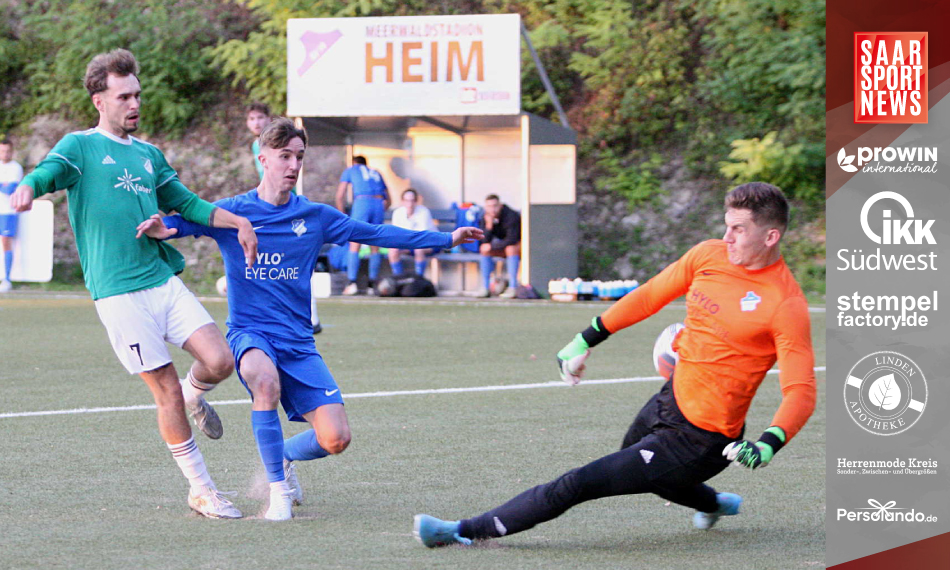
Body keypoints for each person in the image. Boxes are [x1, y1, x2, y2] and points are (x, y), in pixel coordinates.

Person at [414, 182, 816, 547]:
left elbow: (800, 390)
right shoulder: (708, 255)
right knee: (641, 465)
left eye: (738, 230)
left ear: (771, 236)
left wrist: (768, 443)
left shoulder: (785, 304)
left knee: (577, 483)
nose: (726, 237)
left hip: (701, 441)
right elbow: (649, 296)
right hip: (669, 401)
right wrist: (585, 338)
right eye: (726, 226)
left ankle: (462, 531)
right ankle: (714, 503)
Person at [138, 118, 483, 521]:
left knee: (336, 439)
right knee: (263, 381)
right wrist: (166, 227)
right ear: (263, 159)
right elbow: (185, 220)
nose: (293, 164)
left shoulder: (316, 216)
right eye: (284, 156)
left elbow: (376, 232)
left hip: (299, 342)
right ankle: (278, 493)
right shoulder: (233, 212)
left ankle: (281, 457)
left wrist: (445, 239)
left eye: (299, 157)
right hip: (251, 333)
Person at [10, 48, 259, 519]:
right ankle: (201, 489)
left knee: (221, 359)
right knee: (163, 390)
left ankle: (194, 396)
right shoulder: (79, 146)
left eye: (137, 94)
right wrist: (29, 185)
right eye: (124, 96)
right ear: (99, 100)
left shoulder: (148, 155)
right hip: (118, 293)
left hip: (160, 279)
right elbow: (49, 172)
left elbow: (186, 204)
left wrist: (238, 222)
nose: (134, 103)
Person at [335, 156, 390, 295]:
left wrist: (343, 216)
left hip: (362, 202)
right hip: (378, 204)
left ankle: (352, 283)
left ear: (354, 163)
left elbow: (340, 195)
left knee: (354, 242)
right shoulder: (376, 172)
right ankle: (372, 284)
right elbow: (389, 199)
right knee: (375, 244)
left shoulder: (351, 170)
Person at [477, 194, 521, 299]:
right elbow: (483, 240)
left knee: (511, 249)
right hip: (500, 246)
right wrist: (489, 226)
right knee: (484, 249)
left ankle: (513, 286)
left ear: (500, 205)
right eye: (489, 206)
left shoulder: (511, 215)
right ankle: (485, 287)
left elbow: (512, 239)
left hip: (517, 247)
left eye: (495, 205)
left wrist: (492, 246)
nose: (492, 209)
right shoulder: (485, 217)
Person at [388, 188, 437, 277]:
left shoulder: (424, 212)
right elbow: (396, 235)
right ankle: (399, 280)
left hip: (430, 243)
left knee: (419, 249)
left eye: (412, 201)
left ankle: (419, 280)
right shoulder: (397, 213)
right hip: (409, 245)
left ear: (416, 201)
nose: (409, 204)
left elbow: (422, 237)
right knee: (393, 251)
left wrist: (405, 247)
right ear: (402, 201)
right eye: (407, 201)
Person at [0, 138, 24, 292]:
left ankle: (7, 279)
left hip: (8, 211)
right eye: (2, 151)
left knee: (6, 241)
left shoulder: (16, 168)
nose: (5, 154)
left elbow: (10, 190)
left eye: (8, 151)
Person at [246, 102, 271, 181]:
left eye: (260, 118)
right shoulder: (255, 145)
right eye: (252, 119)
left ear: (268, 119)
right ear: (248, 123)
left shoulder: (275, 143)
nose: (256, 123)